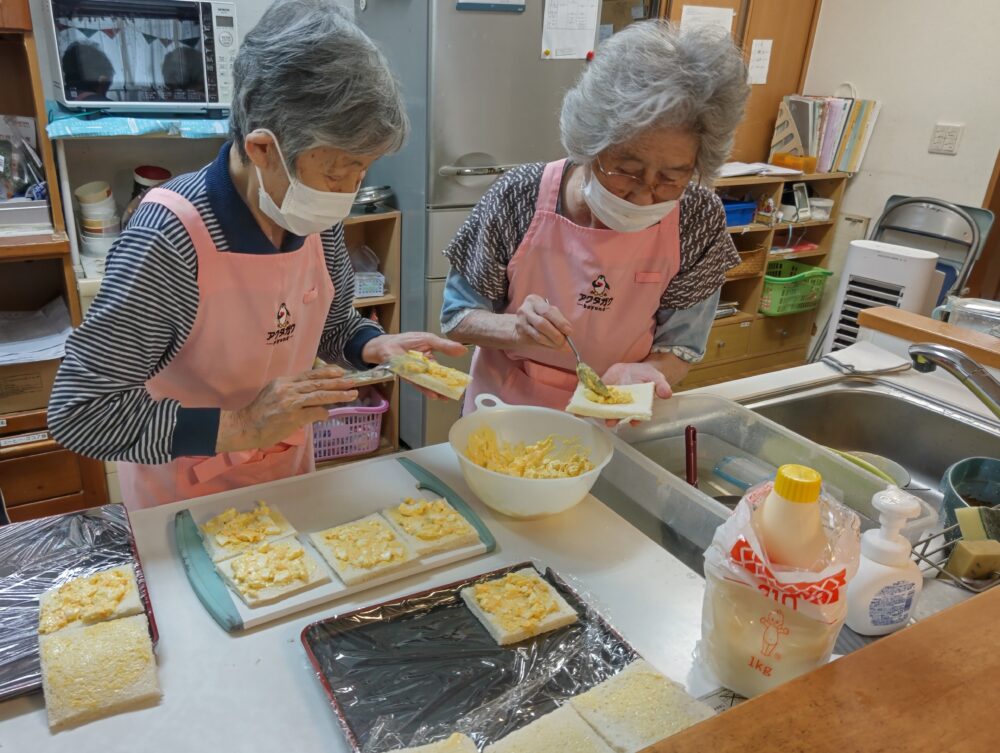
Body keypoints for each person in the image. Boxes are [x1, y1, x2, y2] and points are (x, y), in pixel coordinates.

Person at [48, 0, 464, 508]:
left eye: (364, 171)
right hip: (185, 499)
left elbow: (331, 326)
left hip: (290, 481)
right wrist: (243, 424)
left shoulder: (313, 217)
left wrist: (373, 346)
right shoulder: (169, 237)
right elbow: (81, 412)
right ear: (263, 149)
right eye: (337, 172)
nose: (350, 193)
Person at [441, 22, 750, 416]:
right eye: (627, 170)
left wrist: (646, 374)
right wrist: (515, 330)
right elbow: (457, 317)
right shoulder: (519, 193)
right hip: (505, 411)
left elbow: (681, 348)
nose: (643, 194)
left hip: (615, 415)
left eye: (671, 178)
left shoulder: (697, 217)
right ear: (591, 144)